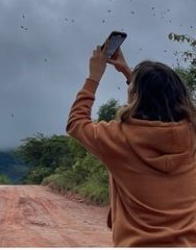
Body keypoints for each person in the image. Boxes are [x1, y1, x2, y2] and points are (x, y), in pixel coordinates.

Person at [67, 44, 196, 246]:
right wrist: (129, 73)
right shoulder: (191, 135)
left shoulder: (119, 138)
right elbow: (157, 98)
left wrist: (94, 76)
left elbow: (76, 123)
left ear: (134, 95)